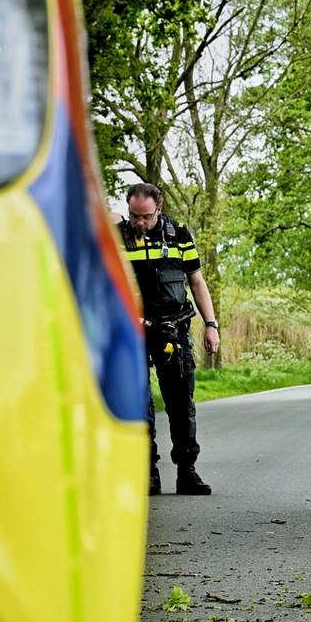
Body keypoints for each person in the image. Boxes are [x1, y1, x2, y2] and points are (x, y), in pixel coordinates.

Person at [118, 183, 220, 495]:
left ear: (159, 210)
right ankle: (147, 472)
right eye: (134, 216)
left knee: (180, 402)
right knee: (138, 403)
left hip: (173, 328)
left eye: (146, 217)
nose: (139, 223)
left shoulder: (179, 236)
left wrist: (211, 325)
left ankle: (187, 471)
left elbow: (197, 281)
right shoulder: (117, 238)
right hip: (131, 330)